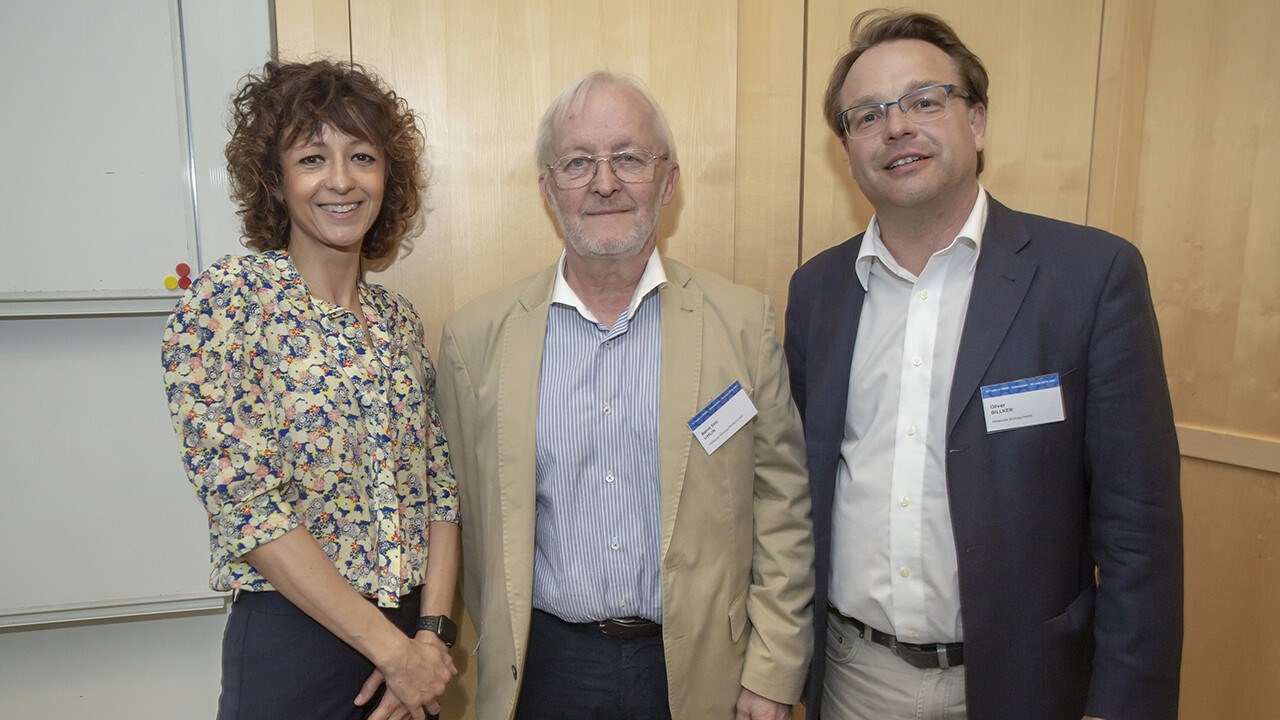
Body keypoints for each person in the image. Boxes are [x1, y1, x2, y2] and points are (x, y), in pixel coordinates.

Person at [784, 10, 1183, 720]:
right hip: (852, 681)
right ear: (846, 148)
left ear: (977, 122)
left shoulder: (1089, 278)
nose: (896, 127)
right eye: (867, 114)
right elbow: (794, 493)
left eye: (924, 100)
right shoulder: (816, 292)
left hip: (1025, 686)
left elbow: (1138, 533)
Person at [433, 71, 814, 720]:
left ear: (668, 181)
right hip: (542, 674)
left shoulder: (742, 324)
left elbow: (781, 503)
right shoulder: (476, 341)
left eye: (629, 158)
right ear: (548, 189)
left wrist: (774, 672)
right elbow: (457, 512)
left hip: (702, 673)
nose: (604, 183)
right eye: (577, 162)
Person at [161, 60, 459, 720]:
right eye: (312, 158)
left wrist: (430, 639)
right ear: (275, 179)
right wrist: (393, 652)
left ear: (389, 177)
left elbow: (440, 488)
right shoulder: (228, 303)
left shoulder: (397, 320)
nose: (342, 180)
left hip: (411, 650)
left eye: (362, 156)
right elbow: (247, 506)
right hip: (295, 644)